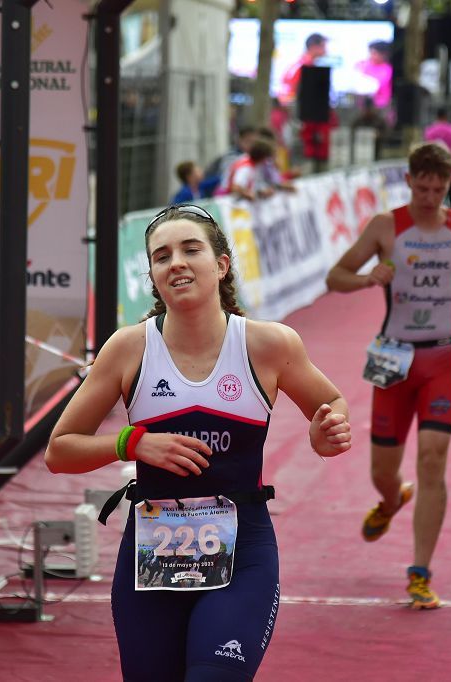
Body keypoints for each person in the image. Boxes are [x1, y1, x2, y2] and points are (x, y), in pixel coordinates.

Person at [46, 204, 352, 680]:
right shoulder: (128, 348)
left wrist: (324, 432)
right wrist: (132, 442)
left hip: (242, 553)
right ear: (151, 274)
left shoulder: (268, 344)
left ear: (222, 264)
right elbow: (60, 450)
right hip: (151, 559)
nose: (177, 263)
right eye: (162, 256)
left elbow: (330, 403)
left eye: (191, 249)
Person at [325, 142, 451, 610]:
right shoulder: (385, 227)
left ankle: (420, 573)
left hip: (441, 358)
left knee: (433, 459)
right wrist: (369, 278)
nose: (431, 196)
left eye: (439, 188)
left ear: (448, 184)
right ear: (410, 181)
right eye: (423, 187)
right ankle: (392, 500)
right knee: (382, 472)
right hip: (392, 358)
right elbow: (336, 276)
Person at [423, 107, 451, 209]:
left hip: (434, 171)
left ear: (437, 116)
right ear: (446, 117)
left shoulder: (429, 131)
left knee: (435, 202)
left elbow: (425, 149)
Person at [279, 33, 328, 106]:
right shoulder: (305, 66)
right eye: (323, 46)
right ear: (313, 47)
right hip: (294, 108)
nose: (326, 50)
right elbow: (288, 94)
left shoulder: (302, 62)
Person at [355, 41, 393, 111]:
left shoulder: (386, 69)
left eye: (374, 53)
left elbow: (377, 85)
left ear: (383, 55)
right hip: (361, 107)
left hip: (379, 107)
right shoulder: (364, 64)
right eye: (371, 53)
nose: (372, 55)